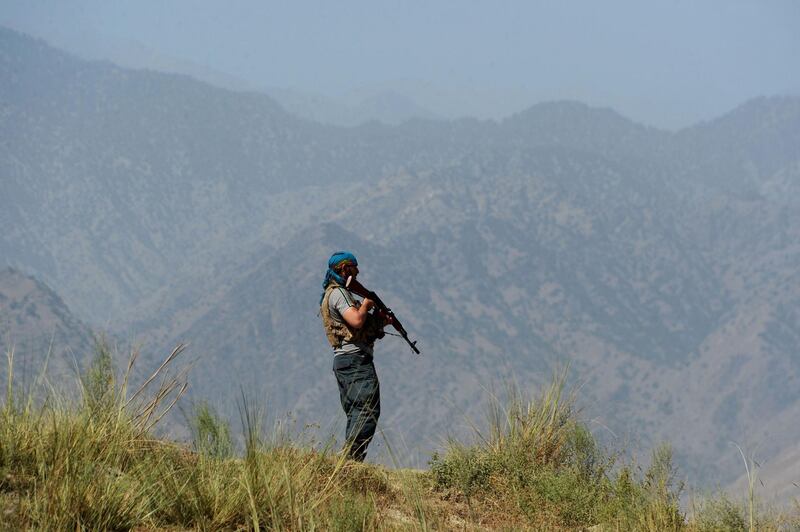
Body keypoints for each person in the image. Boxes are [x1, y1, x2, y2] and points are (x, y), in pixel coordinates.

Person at [319, 251, 388, 461]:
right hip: (354, 362)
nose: (357, 271)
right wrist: (366, 304)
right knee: (366, 410)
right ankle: (350, 462)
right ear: (343, 268)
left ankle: (347, 464)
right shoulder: (338, 293)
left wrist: (381, 321)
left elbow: (361, 329)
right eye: (354, 267)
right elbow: (357, 321)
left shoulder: (341, 293)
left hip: (349, 362)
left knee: (357, 411)